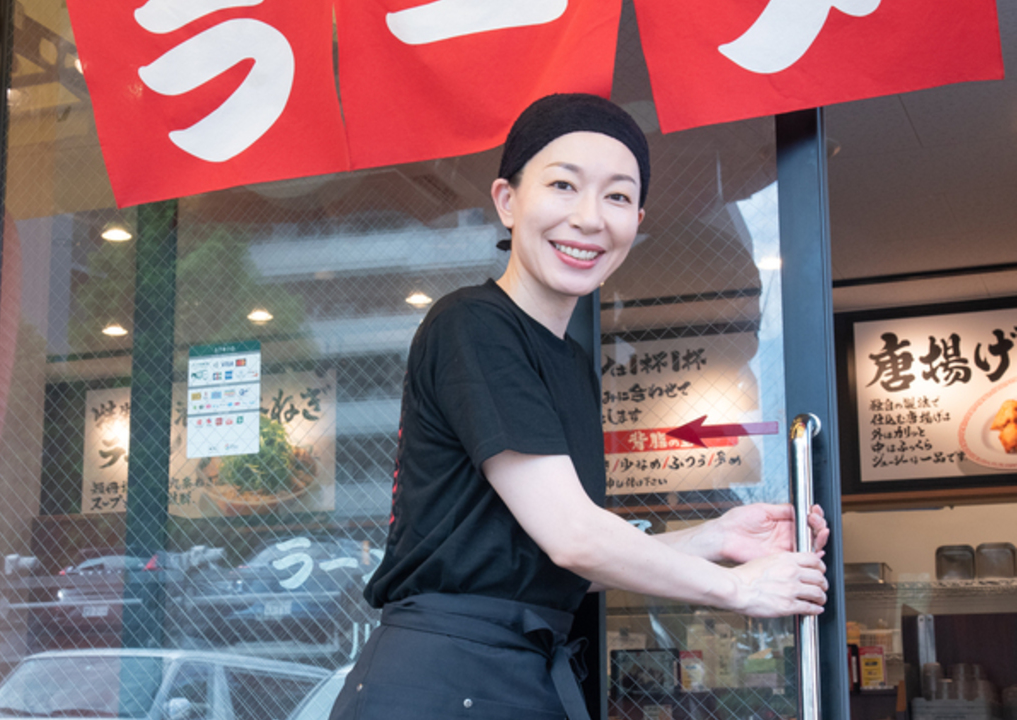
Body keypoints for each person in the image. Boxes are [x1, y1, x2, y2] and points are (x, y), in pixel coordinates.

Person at [328, 94, 829, 720]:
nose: (590, 218)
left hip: (517, 674)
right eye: (563, 185)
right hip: (440, 679)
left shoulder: (565, 361)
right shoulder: (473, 324)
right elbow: (573, 539)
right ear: (508, 200)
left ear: (637, 218)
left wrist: (718, 537)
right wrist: (737, 588)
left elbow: (559, 562)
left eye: (617, 197)